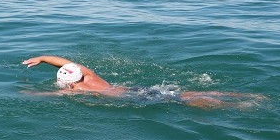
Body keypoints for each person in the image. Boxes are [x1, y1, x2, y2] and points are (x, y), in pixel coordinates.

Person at [21, 55, 266, 109]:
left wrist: (30, 95)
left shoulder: (76, 90)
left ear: (69, 83)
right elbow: (63, 60)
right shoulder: (90, 76)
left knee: (182, 101)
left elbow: (52, 95)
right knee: (182, 92)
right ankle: (236, 95)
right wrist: (43, 58)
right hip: (136, 89)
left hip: (133, 98)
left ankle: (235, 106)